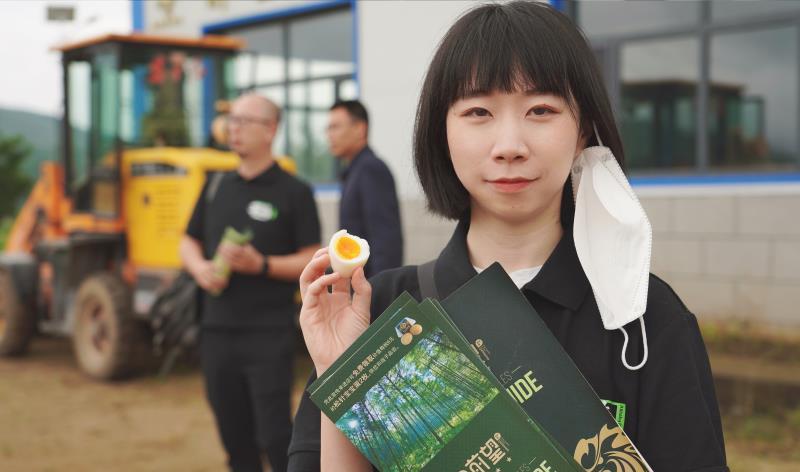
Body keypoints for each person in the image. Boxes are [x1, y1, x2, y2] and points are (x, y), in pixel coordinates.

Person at [288, 2, 729, 472]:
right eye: (478, 111)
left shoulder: (643, 320)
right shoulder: (380, 315)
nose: (510, 146)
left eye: (541, 110)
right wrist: (345, 376)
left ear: (583, 131)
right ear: (442, 132)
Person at [180, 93, 321, 472]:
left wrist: (262, 265)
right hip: (216, 331)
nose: (234, 128)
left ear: (271, 130)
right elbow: (188, 240)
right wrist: (200, 268)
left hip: (267, 334)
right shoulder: (216, 186)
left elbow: (312, 257)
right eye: (232, 120)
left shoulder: (294, 191)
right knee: (234, 437)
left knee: (276, 436)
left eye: (244, 121)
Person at [326, 100, 403, 277]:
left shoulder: (371, 169)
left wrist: (380, 289)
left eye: (335, 127)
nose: (329, 135)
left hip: (370, 286)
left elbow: (385, 241)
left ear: (360, 129)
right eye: (328, 128)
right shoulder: (355, 171)